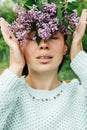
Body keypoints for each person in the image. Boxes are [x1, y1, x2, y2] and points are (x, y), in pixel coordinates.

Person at [0, 1, 87, 130]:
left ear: (65, 47)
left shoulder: (79, 96)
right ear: (21, 46)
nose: (43, 44)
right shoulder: (8, 94)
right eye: (33, 38)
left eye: (52, 36)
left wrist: (78, 55)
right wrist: (15, 67)